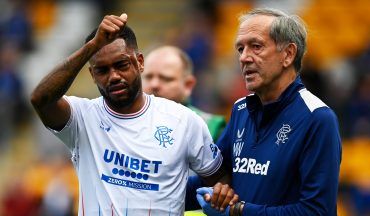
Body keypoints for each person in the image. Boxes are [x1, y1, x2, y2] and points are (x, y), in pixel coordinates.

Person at [30, 13, 235, 215]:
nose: (114, 76)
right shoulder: (82, 118)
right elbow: (40, 99)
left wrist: (220, 195)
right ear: (92, 75)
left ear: (140, 62)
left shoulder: (185, 121)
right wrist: (91, 47)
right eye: (102, 70)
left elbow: (220, 180)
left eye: (121, 65)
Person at [189, 8, 342, 215]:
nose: (244, 58)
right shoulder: (240, 109)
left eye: (256, 47)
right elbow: (217, 175)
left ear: (288, 54)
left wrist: (239, 211)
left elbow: (316, 211)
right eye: (240, 49)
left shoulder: (318, 118)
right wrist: (144, 188)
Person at [142, 45, 226, 142]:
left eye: (166, 79)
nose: (154, 84)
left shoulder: (210, 128)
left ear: (188, 85)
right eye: (148, 77)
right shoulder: (127, 122)